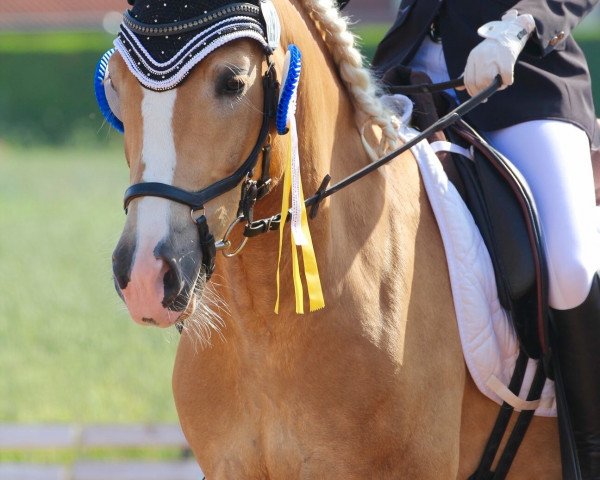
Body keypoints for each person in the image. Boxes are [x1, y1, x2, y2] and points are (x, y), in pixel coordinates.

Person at [365, 0, 600, 478]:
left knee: (571, 269)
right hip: (400, 80)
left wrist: (517, 27)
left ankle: (591, 453)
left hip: (521, 80)